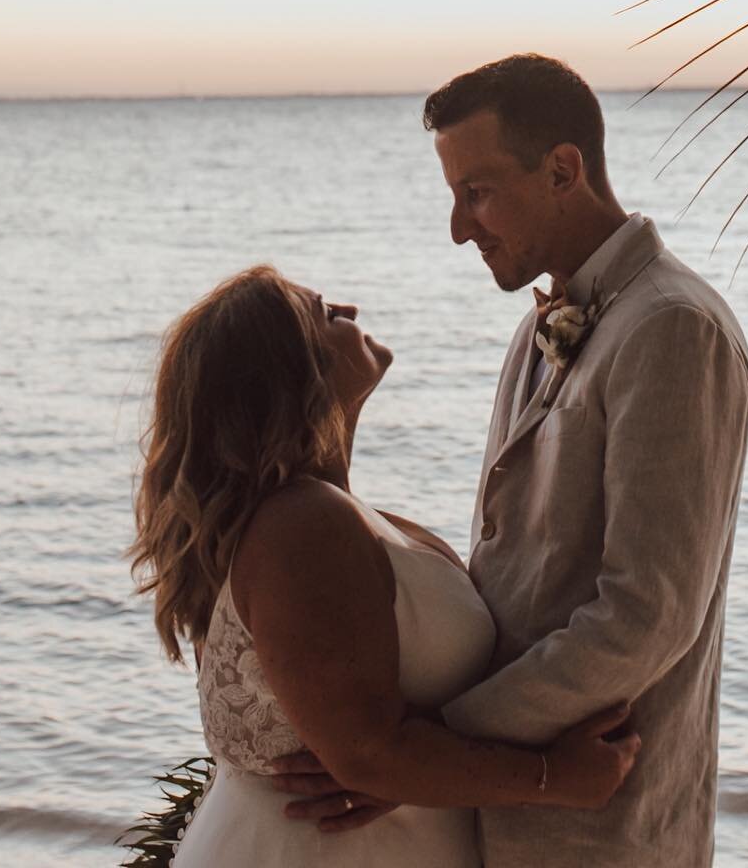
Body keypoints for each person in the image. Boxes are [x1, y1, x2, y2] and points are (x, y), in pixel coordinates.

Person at [273, 54, 748, 866]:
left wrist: (429, 748)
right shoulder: (538, 327)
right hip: (501, 809)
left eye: (477, 192)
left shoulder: (674, 328)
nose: (460, 227)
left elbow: (646, 615)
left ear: (563, 169)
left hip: (604, 828)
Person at [130, 263, 639, 865]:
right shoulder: (302, 524)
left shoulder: (334, 516)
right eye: (322, 313)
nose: (347, 309)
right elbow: (367, 753)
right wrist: (556, 779)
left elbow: (375, 736)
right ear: (287, 372)